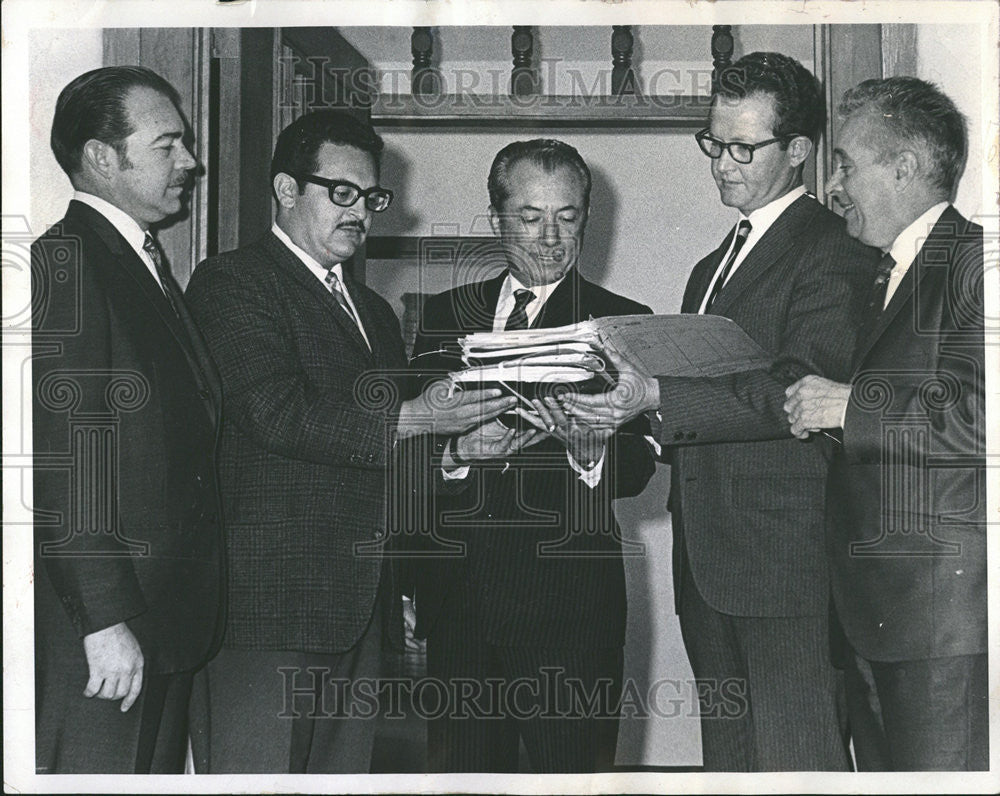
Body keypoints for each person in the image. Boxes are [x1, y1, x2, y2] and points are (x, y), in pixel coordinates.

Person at [561, 53, 880, 770]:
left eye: (744, 147)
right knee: (730, 769)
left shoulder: (832, 251)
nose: (722, 165)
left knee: (799, 766)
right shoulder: (712, 265)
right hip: (708, 565)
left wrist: (658, 396)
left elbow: (795, 390)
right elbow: (697, 404)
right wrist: (626, 408)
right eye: (713, 142)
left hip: (785, 567)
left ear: (798, 151)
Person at [184, 109, 514, 774]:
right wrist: (421, 419)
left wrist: (456, 452)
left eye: (371, 197)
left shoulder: (374, 314)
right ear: (285, 189)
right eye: (342, 193)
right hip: (266, 614)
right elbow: (276, 412)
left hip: (359, 613)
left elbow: (384, 449)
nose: (361, 211)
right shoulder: (233, 282)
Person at [407, 138, 656, 773]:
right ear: (496, 218)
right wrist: (457, 453)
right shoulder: (442, 316)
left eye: (567, 217)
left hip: (569, 620)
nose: (550, 237)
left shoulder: (623, 323)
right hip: (459, 611)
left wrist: (591, 451)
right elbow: (408, 451)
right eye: (529, 216)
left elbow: (641, 464)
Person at [783, 77, 986, 771]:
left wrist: (849, 406)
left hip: (936, 632)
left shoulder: (975, 265)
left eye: (845, 163)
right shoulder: (888, 273)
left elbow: (984, 418)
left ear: (903, 168)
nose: (834, 184)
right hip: (875, 624)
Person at [31, 66, 224, 773]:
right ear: (102, 158)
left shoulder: (140, 260)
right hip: (112, 635)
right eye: (167, 145)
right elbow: (67, 455)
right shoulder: (68, 259)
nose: (191, 162)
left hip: (162, 622)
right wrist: (105, 620)